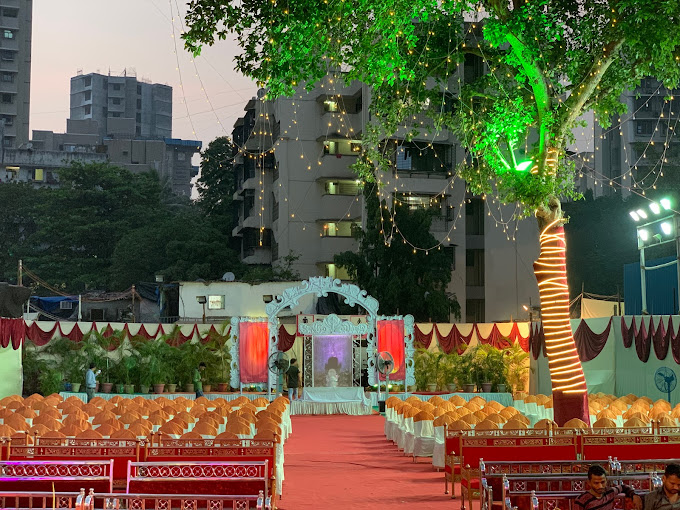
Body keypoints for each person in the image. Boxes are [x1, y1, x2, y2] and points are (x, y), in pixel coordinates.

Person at [575, 464, 642, 510]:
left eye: (603, 482)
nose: (600, 486)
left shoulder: (609, 492)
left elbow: (623, 487)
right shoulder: (581, 500)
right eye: (596, 483)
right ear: (589, 483)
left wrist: (634, 495)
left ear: (606, 480)